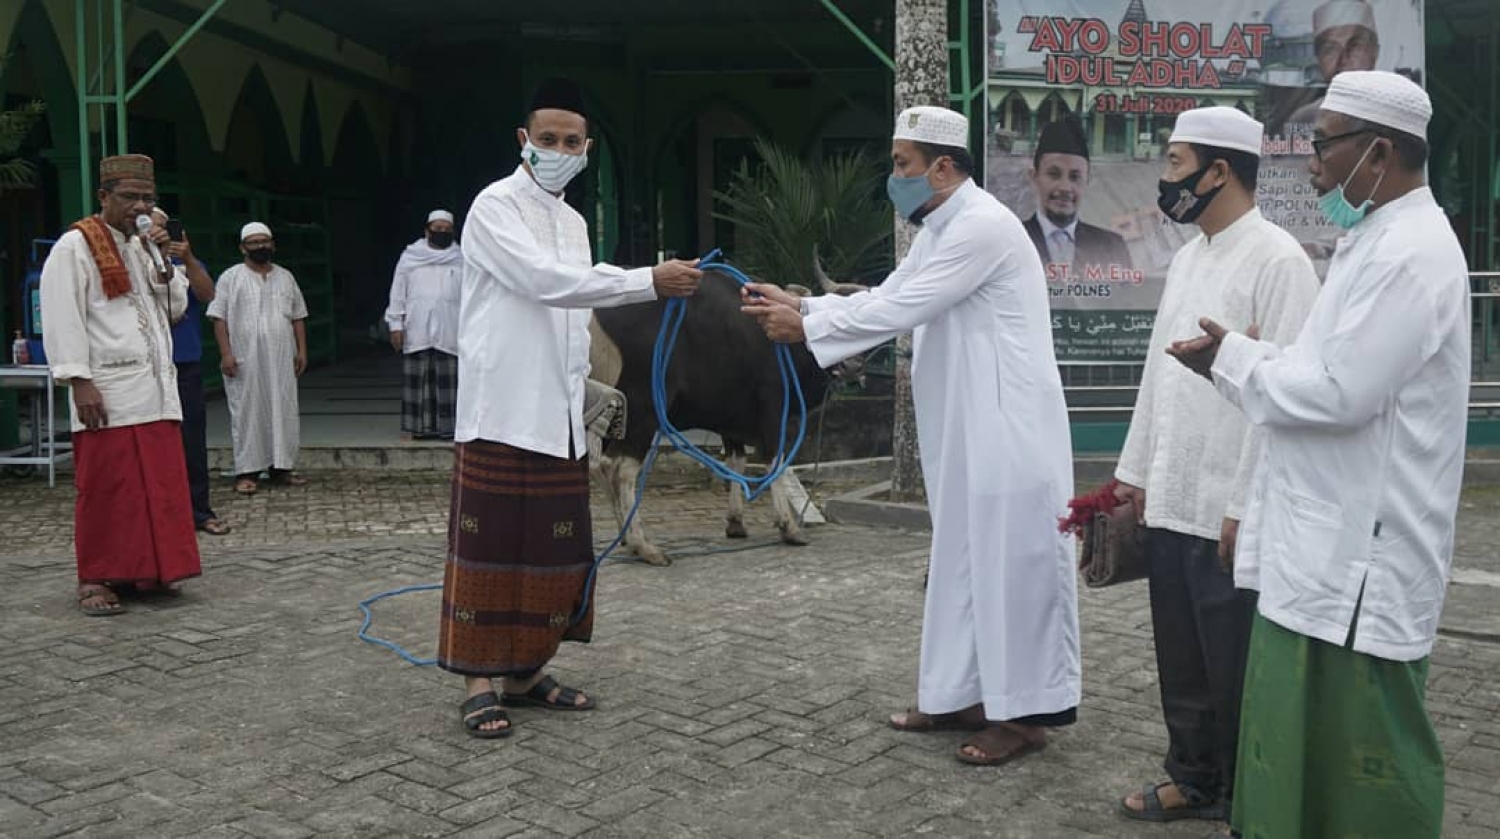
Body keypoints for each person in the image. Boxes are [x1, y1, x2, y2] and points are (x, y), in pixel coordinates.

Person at [1165, 71, 1468, 839]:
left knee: (1367, 766)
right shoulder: (1370, 240)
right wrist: (1252, 357)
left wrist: (1233, 360)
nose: (1312, 161)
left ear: (1380, 151)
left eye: (1323, 142)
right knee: (1294, 754)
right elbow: (1317, 366)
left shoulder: (1412, 253)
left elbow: (1337, 393)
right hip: (1320, 546)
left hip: (1364, 558)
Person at [742, 105, 1080, 766]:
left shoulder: (980, 226)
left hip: (1008, 430)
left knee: (1010, 568)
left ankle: (1023, 717)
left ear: (944, 167)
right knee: (960, 560)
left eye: (902, 164)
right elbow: (892, 291)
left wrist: (806, 332)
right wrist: (800, 304)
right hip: (965, 426)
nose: (893, 177)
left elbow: (900, 308)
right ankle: (955, 693)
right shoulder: (939, 228)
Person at [438, 77, 703, 738]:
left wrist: (587, 390)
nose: (558, 149)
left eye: (571, 141)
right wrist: (649, 279)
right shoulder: (492, 208)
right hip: (501, 409)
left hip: (558, 416)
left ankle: (527, 672)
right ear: (524, 141)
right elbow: (541, 281)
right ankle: (478, 681)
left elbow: (573, 312)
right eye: (548, 138)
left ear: (587, 149)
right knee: (490, 550)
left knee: (553, 553)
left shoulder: (575, 222)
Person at [1111, 107, 1319, 824]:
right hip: (1172, 493)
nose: (1165, 177)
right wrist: (1134, 472)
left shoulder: (1280, 259)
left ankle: (1244, 787)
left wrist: (1247, 503)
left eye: (1173, 162)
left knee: (1234, 661)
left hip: (1230, 502)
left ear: (1219, 171)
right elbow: (1157, 375)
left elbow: (1283, 393)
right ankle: (1192, 776)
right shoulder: (1190, 256)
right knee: (1181, 655)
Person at [39, 153, 201, 616]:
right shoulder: (75, 246)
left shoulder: (142, 245)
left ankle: (146, 572)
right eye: (130, 197)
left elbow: (173, 308)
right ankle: (94, 578)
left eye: (147, 197)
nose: (139, 206)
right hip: (107, 391)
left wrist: (165, 257)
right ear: (104, 196)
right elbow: (61, 315)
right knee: (108, 489)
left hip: (154, 390)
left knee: (156, 488)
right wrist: (78, 381)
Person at [206, 222, 310, 495]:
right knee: (247, 411)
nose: (260, 247)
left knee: (283, 409)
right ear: (243, 248)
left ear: (273, 245)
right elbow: (219, 318)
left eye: (265, 242)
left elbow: (298, 316)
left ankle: (282, 468)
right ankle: (247, 472)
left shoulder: (285, 276)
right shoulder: (231, 277)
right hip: (244, 359)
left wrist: (302, 350)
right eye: (253, 243)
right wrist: (226, 353)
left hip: (281, 357)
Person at [154, 207, 230, 536]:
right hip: (148, 365)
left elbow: (209, 296)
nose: (158, 233)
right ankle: (160, 514)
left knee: (192, 440)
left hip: (184, 362)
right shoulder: (134, 264)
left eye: (163, 227)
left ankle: (200, 510)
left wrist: (189, 258)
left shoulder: (187, 265)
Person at [1021, 116, 1133, 279]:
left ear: (1087, 181)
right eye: (1054, 175)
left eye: (1075, 177)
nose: (1065, 188)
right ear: (1034, 177)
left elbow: (1127, 301)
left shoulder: (1112, 246)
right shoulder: (1012, 240)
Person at [385, 209, 463, 441]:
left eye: (447, 230)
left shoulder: (462, 259)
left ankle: (449, 429)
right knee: (416, 382)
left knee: (447, 380)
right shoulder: (410, 257)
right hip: (416, 328)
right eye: (437, 229)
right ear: (426, 230)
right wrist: (395, 324)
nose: (442, 233)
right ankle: (412, 429)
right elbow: (397, 292)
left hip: (450, 328)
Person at [1272, 0, 1380, 132]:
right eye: (1331, 49)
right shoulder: (1304, 118)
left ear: (1374, 52)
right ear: (1318, 58)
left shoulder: (1394, 114)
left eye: (1355, 46)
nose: (1343, 59)